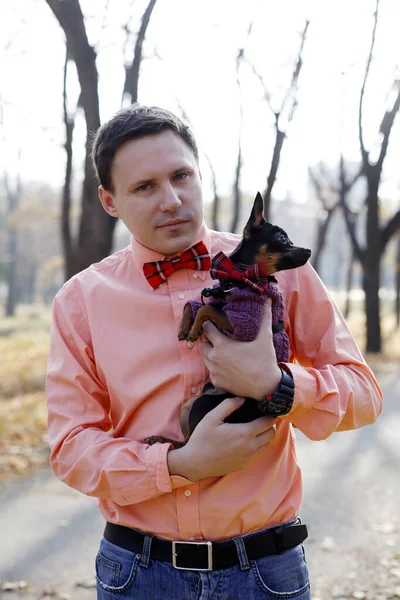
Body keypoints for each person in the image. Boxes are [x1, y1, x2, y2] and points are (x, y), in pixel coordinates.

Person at [46, 104, 383, 600]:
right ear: (109, 200)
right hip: (137, 575)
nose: (173, 200)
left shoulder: (277, 268)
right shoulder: (80, 302)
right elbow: (70, 447)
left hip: (266, 572)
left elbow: (365, 396)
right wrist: (177, 464)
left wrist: (278, 385)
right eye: (145, 187)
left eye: (182, 175)